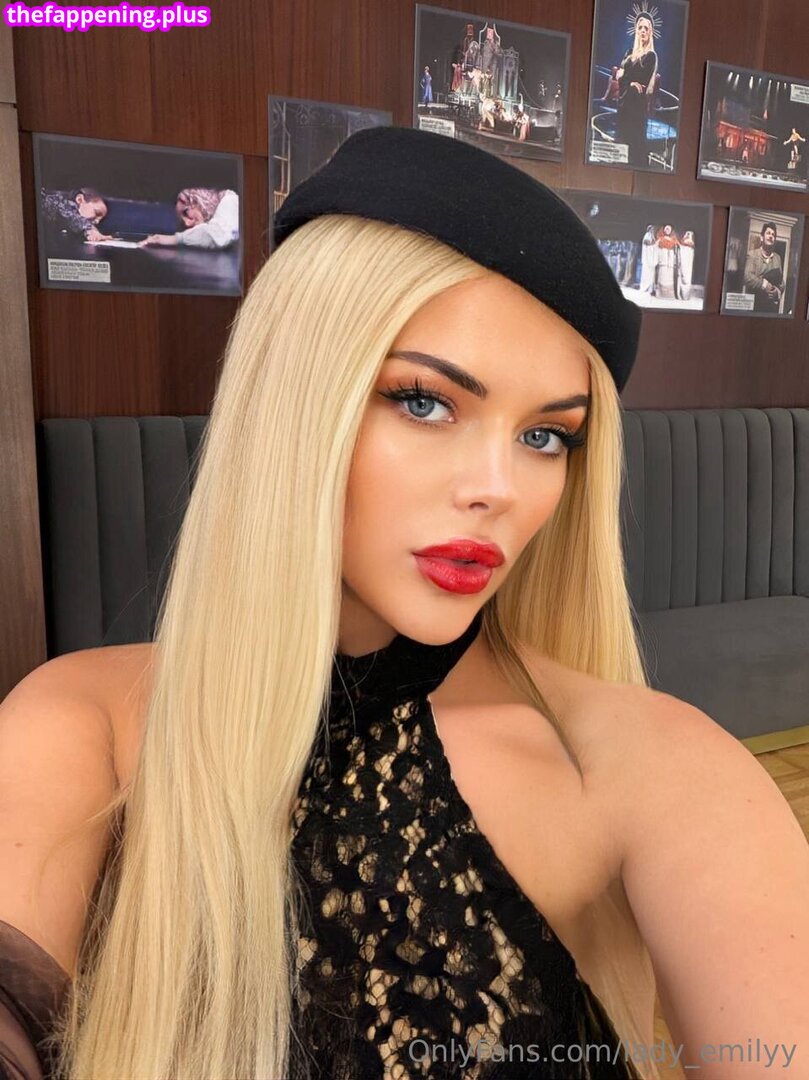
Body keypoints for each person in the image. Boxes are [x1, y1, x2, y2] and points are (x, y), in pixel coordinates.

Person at [1, 126, 808, 1080]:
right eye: (424, 402)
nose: (497, 488)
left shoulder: (649, 767)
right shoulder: (81, 726)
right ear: (295, 404)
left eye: (546, 436)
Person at [614, 13, 658, 167]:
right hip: (624, 105)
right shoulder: (628, 53)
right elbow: (619, 77)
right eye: (640, 28)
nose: (643, 31)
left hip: (636, 108)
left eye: (646, 28)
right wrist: (629, 81)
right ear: (636, 30)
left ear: (650, 32)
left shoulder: (651, 56)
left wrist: (625, 77)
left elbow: (641, 80)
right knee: (621, 145)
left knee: (635, 148)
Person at [139, 187, 240, 250]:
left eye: (186, 212)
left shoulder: (230, 200)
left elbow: (218, 236)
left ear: (197, 200)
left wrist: (173, 239)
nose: (187, 223)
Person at [39, 186, 111, 244]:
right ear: (80, 199)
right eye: (97, 213)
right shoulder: (55, 200)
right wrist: (90, 229)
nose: (97, 222)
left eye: (100, 219)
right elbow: (69, 214)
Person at [743, 221, 784, 314]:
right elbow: (747, 277)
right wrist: (765, 285)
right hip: (753, 306)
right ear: (762, 237)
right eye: (768, 233)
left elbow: (781, 282)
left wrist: (777, 292)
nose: (771, 236)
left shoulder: (777, 258)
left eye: (773, 235)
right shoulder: (752, 255)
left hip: (770, 308)